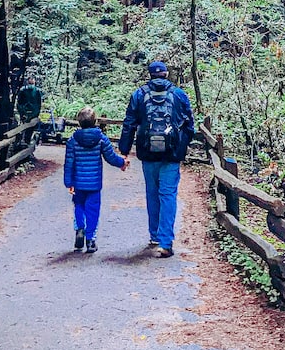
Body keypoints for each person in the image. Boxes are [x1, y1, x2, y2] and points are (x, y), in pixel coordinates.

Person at [119, 61, 195, 258]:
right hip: (171, 155)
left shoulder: (139, 94)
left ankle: (154, 235)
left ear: (150, 75)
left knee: (152, 193)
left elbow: (129, 124)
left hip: (147, 152)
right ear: (166, 74)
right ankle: (165, 242)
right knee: (168, 194)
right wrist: (181, 146)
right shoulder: (179, 95)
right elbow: (189, 125)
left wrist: (124, 150)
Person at [65, 106, 129, 253]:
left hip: (78, 183)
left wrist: (69, 182)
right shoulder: (101, 139)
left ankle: (80, 228)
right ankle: (91, 240)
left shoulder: (72, 141)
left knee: (79, 206)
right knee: (93, 210)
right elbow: (111, 157)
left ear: (79, 122)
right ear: (95, 121)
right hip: (94, 184)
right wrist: (122, 163)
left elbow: (69, 163)